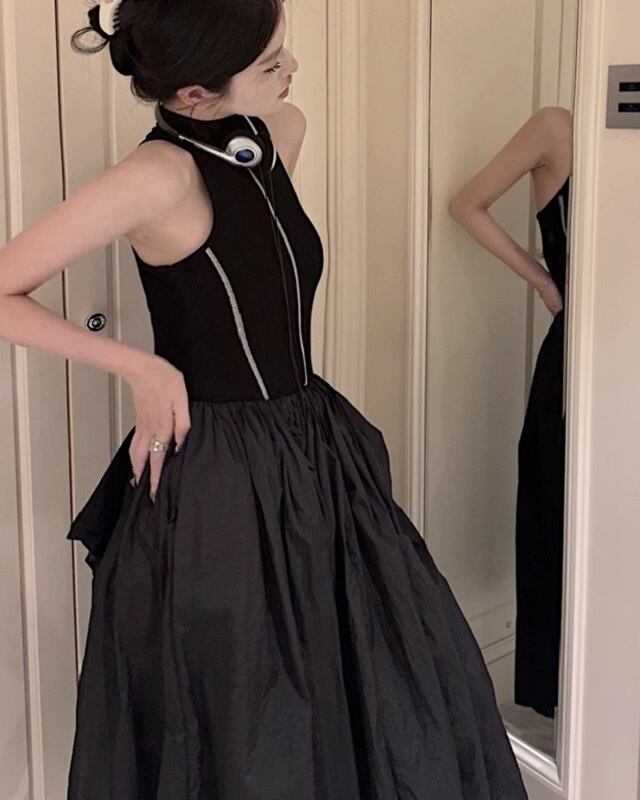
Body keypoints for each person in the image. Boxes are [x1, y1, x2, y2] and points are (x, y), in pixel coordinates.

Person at [0, 1, 528, 797]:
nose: (292, 71)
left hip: (315, 446)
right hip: (219, 477)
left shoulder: (281, 131)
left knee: (369, 670)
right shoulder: (153, 179)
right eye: (270, 63)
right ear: (192, 95)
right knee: (247, 704)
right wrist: (139, 367)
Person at [449, 105, 572, 719]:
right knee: (558, 521)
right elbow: (467, 204)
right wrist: (546, 282)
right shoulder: (558, 128)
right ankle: (563, 702)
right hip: (576, 356)